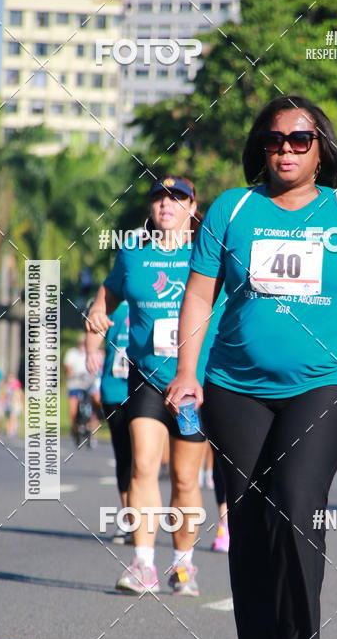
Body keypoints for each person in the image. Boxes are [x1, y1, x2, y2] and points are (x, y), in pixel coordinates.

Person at [166, 95, 337, 639]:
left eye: (301, 140)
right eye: (276, 140)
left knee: (298, 509)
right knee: (247, 522)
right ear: (260, 146)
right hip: (234, 387)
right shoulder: (232, 208)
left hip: (322, 386)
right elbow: (197, 298)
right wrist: (187, 372)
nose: (287, 150)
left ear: (321, 147)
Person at [86, 175, 222, 596]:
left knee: (185, 479)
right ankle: (143, 564)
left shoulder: (211, 255)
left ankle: (183, 566)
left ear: (192, 207)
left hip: (194, 384)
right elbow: (107, 296)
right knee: (143, 464)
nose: (166, 204)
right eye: (159, 198)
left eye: (177, 197)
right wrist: (96, 317)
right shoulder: (132, 256)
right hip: (145, 377)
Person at [86, 300, 132, 543]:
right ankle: (128, 517)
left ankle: (142, 515)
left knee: (145, 459)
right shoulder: (111, 303)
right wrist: (91, 350)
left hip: (148, 388)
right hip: (115, 389)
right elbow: (93, 326)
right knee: (124, 454)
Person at [63, 337, 96, 444]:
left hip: (88, 384)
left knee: (95, 402)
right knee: (73, 408)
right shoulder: (72, 353)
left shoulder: (92, 353)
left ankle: (91, 428)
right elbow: (67, 366)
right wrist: (69, 371)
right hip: (75, 385)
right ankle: (75, 429)